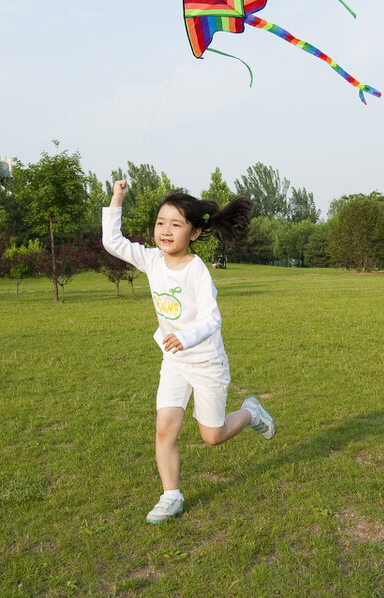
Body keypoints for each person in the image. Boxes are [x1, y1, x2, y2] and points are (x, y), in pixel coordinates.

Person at [102, 179, 275, 524]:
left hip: (206, 363)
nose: (165, 231)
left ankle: (251, 413)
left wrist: (186, 336)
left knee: (212, 436)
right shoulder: (152, 260)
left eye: (176, 225)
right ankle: (171, 496)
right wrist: (117, 198)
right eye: (160, 223)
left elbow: (212, 318)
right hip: (175, 362)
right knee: (165, 428)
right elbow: (112, 241)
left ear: (194, 233)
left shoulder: (196, 270)